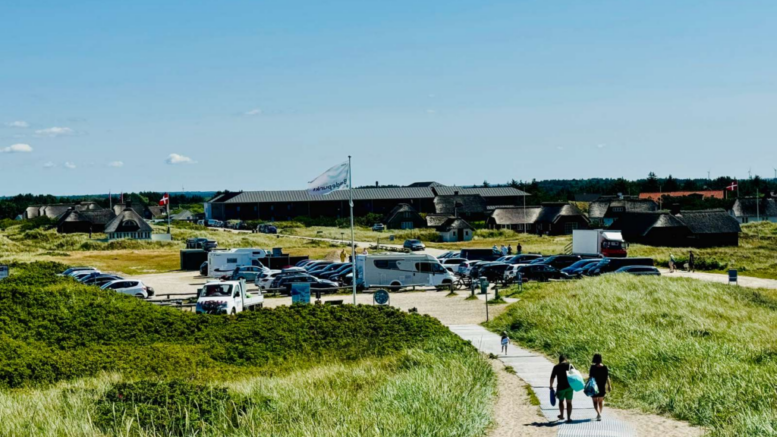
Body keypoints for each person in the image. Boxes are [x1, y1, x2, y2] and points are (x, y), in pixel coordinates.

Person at [550, 354, 574, 422]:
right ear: (565, 359)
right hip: (569, 387)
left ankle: (562, 415)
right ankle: (569, 418)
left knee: (561, 401)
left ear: (559, 360)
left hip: (560, 387)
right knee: (569, 402)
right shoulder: (570, 365)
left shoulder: (556, 367)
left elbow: (552, 377)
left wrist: (551, 386)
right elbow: (574, 375)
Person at [589, 353, 612, 422]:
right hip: (602, 386)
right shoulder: (605, 367)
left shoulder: (592, 367)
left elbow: (590, 377)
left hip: (594, 386)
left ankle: (598, 413)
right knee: (600, 401)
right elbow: (607, 377)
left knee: (595, 401)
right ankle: (599, 413)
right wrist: (609, 385)